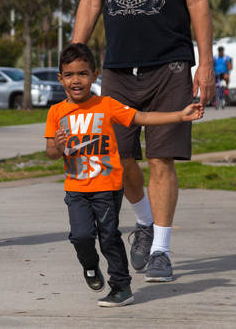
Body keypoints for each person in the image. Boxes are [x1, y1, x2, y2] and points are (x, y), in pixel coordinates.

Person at [71, 0, 216, 283]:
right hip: (117, 69)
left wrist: (204, 63)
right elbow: (92, 0)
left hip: (170, 66)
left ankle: (161, 251)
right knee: (119, 159)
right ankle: (144, 221)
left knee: (162, 161)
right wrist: (76, 61)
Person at [45, 44, 204, 307]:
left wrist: (179, 115)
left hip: (106, 187)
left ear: (95, 76)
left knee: (108, 237)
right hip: (75, 189)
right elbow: (51, 152)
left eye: (83, 73)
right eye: (70, 75)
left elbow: (141, 117)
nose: (77, 80)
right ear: (61, 78)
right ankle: (90, 266)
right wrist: (59, 146)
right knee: (81, 237)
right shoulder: (56, 113)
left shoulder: (107, 105)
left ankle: (121, 286)